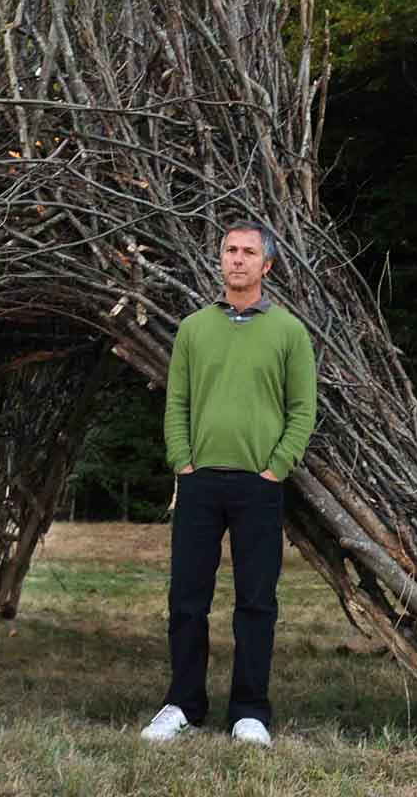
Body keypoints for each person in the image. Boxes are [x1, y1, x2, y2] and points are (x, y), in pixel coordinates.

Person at [141, 219, 317, 748]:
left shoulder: (289, 331)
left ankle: (249, 712)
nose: (237, 259)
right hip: (198, 485)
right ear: (220, 261)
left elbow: (302, 408)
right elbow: (177, 402)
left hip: (259, 487)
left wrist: (277, 467)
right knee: (187, 600)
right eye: (229, 251)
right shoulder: (195, 328)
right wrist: (182, 461)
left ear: (267, 266)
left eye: (248, 253)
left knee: (256, 602)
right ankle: (183, 704)